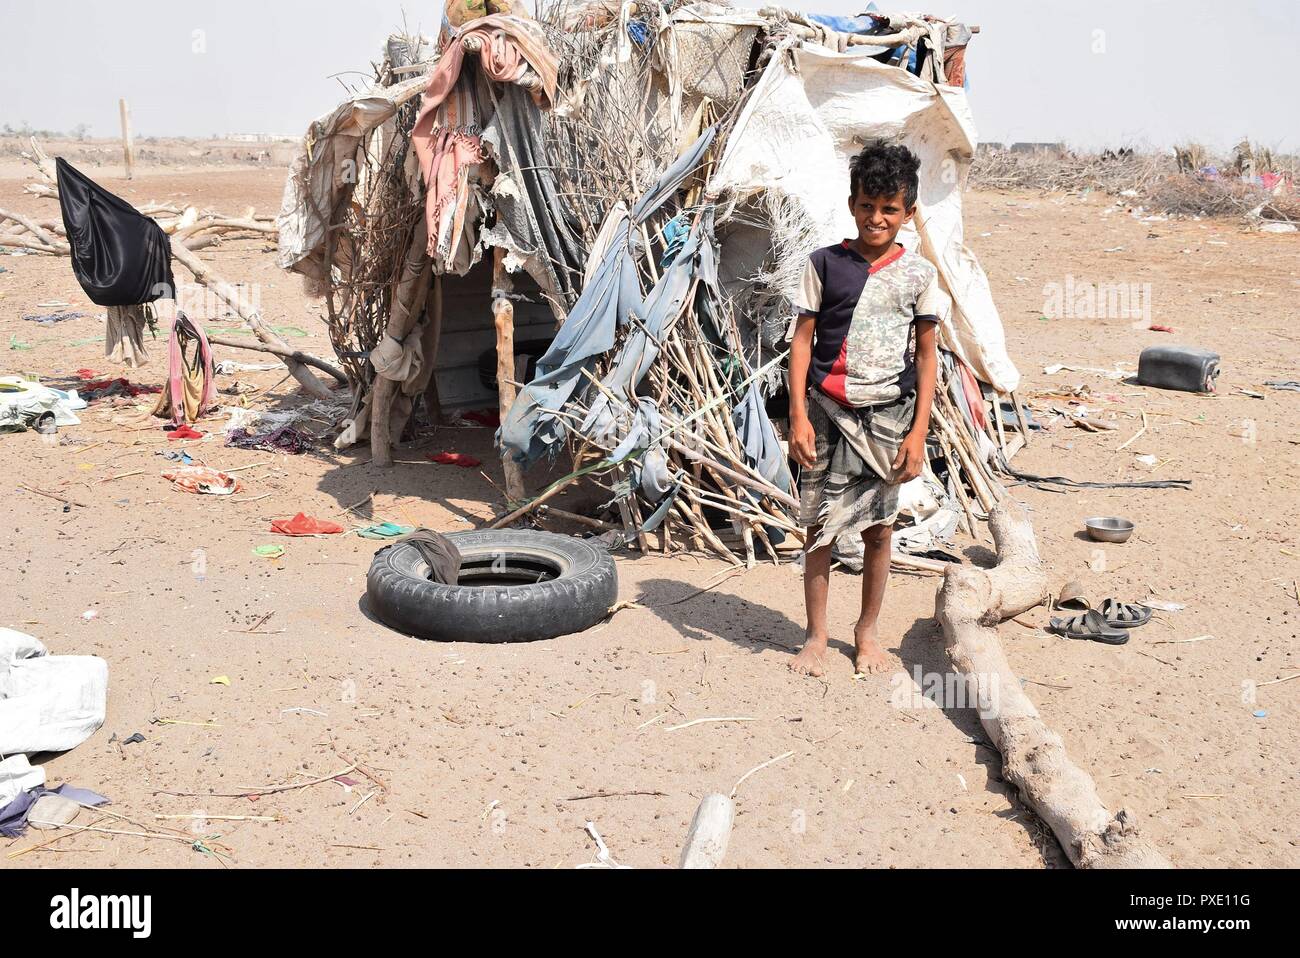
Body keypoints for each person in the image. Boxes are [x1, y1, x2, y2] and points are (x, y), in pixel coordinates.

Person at [786, 142, 941, 678]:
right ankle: (816, 635)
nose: (877, 218)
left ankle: (867, 632)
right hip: (826, 412)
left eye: (890, 209)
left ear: (908, 213)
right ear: (852, 204)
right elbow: (801, 342)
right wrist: (799, 416)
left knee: (879, 529)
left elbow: (925, 357)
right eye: (867, 205)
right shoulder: (824, 265)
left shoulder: (919, 276)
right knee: (819, 529)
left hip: (888, 417)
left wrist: (918, 432)